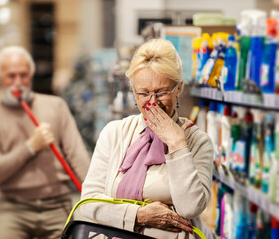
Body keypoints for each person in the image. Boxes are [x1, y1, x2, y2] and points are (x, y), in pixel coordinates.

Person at [80, 38, 214, 239]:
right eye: (143, 93)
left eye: (161, 93)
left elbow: (190, 207)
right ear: (133, 91)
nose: (152, 103)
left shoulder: (197, 141)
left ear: (178, 88)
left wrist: (177, 145)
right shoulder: (114, 133)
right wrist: (139, 216)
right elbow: (89, 204)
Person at [0, 46, 90, 239]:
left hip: (57, 203)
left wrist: (95, 198)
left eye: (24, 75)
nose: (18, 83)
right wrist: (30, 147)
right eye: (11, 76)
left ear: (32, 74)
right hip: (13, 208)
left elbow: (77, 155)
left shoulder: (56, 106)